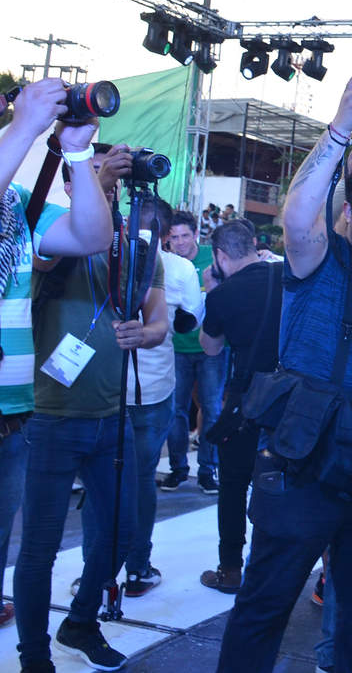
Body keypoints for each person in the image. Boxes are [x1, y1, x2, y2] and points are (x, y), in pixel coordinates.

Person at [215, 75, 352, 673]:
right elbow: (299, 218)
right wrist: (339, 130)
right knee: (264, 605)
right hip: (305, 463)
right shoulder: (320, 259)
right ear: (348, 211)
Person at [15, 141, 165, 673]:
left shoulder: (137, 248)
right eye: (92, 174)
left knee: (123, 531)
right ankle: (34, 656)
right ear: (70, 183)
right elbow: (56, 250)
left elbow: (159, 321)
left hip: (112, 415)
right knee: (39, 548)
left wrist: (145, 333)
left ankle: (80, 623)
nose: (110, 183)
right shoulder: (50, 233)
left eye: (113, 177)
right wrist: (95, 175)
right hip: (51, 414)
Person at [0, 80, 115, 636]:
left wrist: (78, 155)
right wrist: (25, 125)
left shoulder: (17, 206)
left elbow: (92, 236)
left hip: (12, 414)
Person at [100, 197, 201, 598]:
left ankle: (99, 573)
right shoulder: (181, 268)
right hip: (153, 390)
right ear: (167, 231)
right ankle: (138, 569)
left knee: (102, 482)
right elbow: (191, 318)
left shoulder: (103, 258)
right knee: (141, 480)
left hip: (105, 390)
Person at [198, 221, 283, 594]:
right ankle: (273, 569)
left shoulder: (222, 295)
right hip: (290, 397)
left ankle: (230, 568)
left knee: (233, 486)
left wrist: (211, 291)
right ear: (253, 244)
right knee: (281, 485)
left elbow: (211, 347)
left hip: (245, 400)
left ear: (219, 256)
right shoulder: (285, 275)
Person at [161, 208, 223, 494]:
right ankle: (178, 469)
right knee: (176, 411)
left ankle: (208, 471)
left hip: (212, 346)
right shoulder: (164, 262)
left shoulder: (215, 256)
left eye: (185, 236)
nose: (180, 242)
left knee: (212, 409)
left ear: (196, 234)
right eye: (174, 237)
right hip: (176, 347)